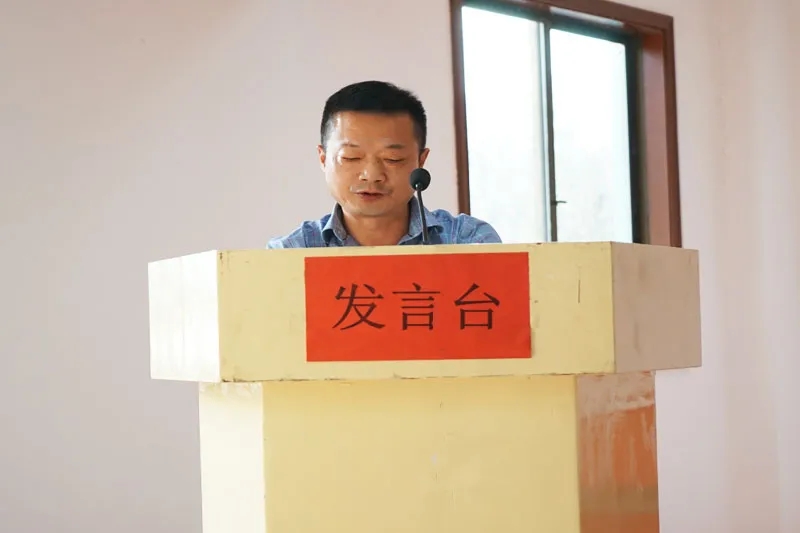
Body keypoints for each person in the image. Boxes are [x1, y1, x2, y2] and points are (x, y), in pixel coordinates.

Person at [266, 80, 502, 248]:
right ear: (323, 159)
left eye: (392, 159)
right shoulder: (290, 253)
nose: (371, 175)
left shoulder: (469, 241)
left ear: (421, 161)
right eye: (351, 157)